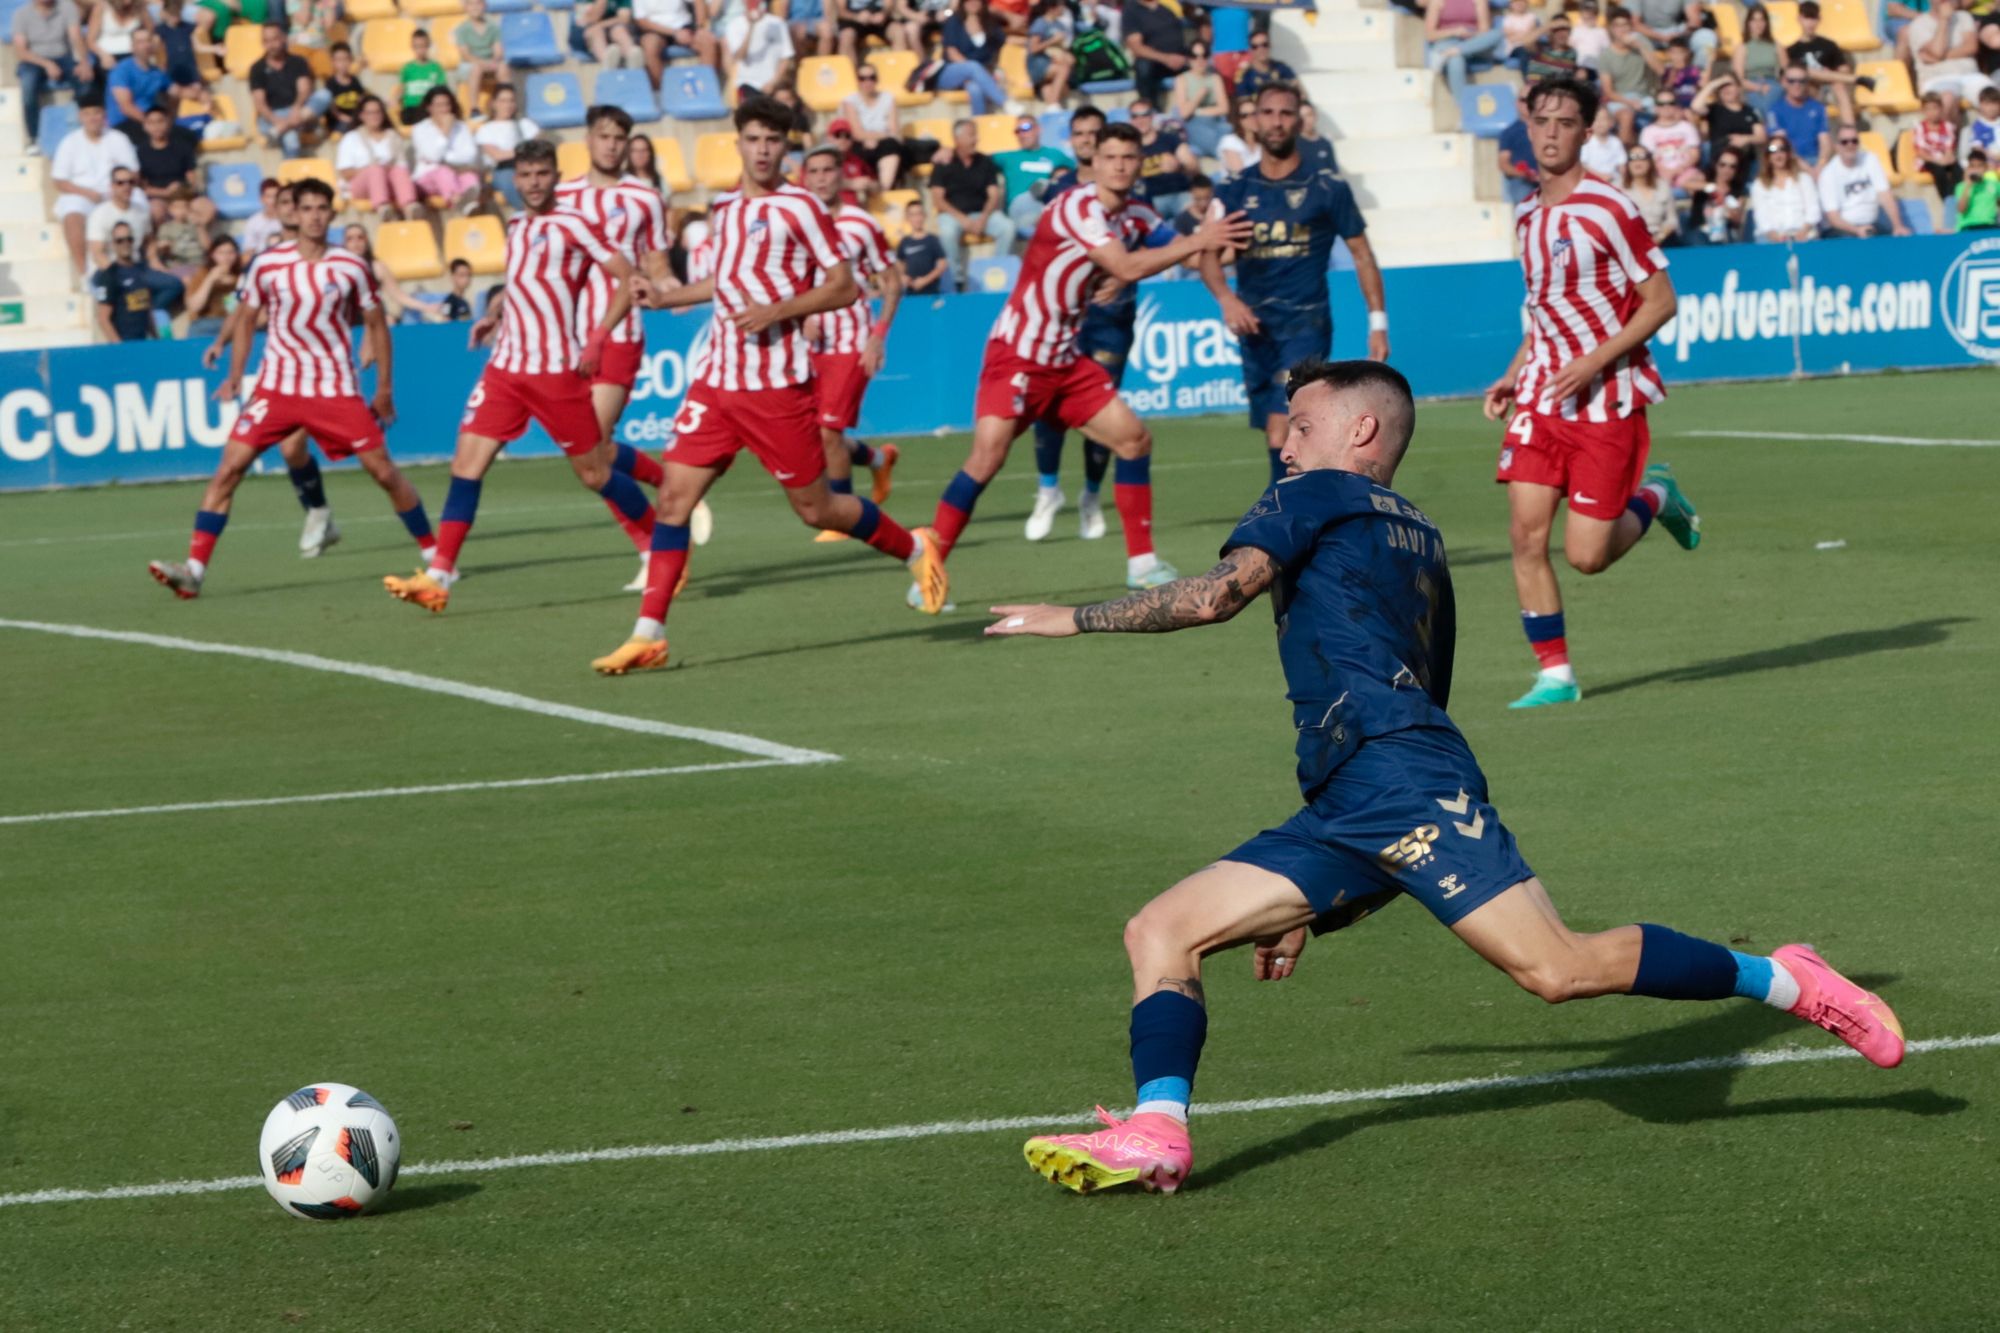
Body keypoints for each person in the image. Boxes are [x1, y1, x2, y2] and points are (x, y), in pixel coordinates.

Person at [987, 358, 1905, 1198]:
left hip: (1394, 776)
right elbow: (1426, 685)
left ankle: (1785, 978)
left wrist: (1073, 618)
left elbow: (1213, 596)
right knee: (1163, 928)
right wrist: (1315, 898)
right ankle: (1158, 1128)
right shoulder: (1416, 532)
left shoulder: (1310, 494)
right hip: (1359, 787)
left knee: (1557, 969)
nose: (1286, 439)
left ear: (1360, 434)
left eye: (1302, 423)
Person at [590, 96, 948, 672]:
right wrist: (665, 295)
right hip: (716, 384)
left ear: (786, 146)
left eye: (773, 140)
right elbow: (724, 282)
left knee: (817, 509)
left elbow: (845, 287)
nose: (762, 149)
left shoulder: (800, 207)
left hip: (776, 387)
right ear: (738, 141)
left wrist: (778, 310)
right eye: (753, 138)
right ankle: (649, 634)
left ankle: (913, 546)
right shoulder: (727, 209)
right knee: (674, 500)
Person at [922, 121, 1250, 603]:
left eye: (1128, 157)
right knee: (987, 458)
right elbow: (1130, 264)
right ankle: (929, 568)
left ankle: (1141, 565)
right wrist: (1175, 251)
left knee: (1135, 440)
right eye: (1110, 156)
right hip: (1017, 353)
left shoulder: (1135, 212)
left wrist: (1213, 252)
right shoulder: (1080, 206)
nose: (1119, 165)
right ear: (1093, 162)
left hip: (1063, 361)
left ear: (1140, 164)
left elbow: (1169, 250)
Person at [1482, 75, 1700, 710]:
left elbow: (1661, 302)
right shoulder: (1525, 214)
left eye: (1565, 123)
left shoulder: (1612, 208)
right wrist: (1514, 370)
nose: (1551, 133)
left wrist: (1592, 362)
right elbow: (1546, 309)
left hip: (1606, 401)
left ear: (1586, 131)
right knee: (1525, 537)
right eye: (1542, 120)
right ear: (1528, 124)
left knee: (1586, 557)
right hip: (1542, 401)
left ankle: (1657, 496)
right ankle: (1556, 675)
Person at [384, 139, 649, 616]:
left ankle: (659, 544)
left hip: (556, 371)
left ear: (555, 174)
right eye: (524, 175)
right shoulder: (517, 225)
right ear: (515, 178)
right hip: (506, 367)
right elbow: (524, 279)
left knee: (593, 473)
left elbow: (627, 277)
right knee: (466, 464)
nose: (532, 183)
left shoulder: (574, 224)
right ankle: (440, 575)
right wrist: (494, 312)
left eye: (542, 174)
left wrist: (599, 336)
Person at [149, 180, 434, 600]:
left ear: (331, 215)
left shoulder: (350, 266)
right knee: (229, 470)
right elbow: (246, 319)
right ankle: (193, 570)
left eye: (323, 208)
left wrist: (384, 388)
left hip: (333, 388)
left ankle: (436, 557)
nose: (315, 215)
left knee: (384, 472)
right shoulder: (267, 263)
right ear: (294, 214)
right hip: (276, 388)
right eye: (307, 208)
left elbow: (377, 325)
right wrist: (234, 375)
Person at [1201, 81, 1388, 487]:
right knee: (1276, 427)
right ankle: (1306, 510)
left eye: (1286, 113)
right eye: (1268, 113)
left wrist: (1377, 321)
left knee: (1282, 424)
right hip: (1254, 328)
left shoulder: (1326, 187)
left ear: (1299, 119)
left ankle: (1280, 520)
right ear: (1253, 121)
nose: (1277, 122)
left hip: (1306, 324)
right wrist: (1226, 299)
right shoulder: (1235, 189)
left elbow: (1362, 253)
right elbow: (1208, 255)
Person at [1027, 106, 1176, 544]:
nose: (1088, 140)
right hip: (1063, 320)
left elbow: (1165, 247)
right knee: (1048, 409)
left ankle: (1091, 496)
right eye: (1081, 133)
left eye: (1095, 132)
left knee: (1101, 410)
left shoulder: (1130, 192)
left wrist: (1124, 271)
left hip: (1113, 319)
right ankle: (1048, 489)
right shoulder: (1060, 189)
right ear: (1073, 142)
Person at [556, 104, 682, 588]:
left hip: (619, 336)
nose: (610, 144)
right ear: (588, 139)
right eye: (602, 136)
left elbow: (655, 262)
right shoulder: (561, 196)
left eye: (618, 138)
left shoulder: (644, 197)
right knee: (591, 453)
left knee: (592, 450)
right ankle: (666, 487)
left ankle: (655, 549)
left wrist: (672, 290)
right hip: (565, 339)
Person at [799, 145, 904, 539]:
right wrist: (802, 316)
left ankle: (839, 514)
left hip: (852, 341)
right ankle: (878, 459)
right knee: (816, 432)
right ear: (805, 177)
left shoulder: (861, 224)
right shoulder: (798, 220)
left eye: (829, 170)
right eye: (815, 171)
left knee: (828, 431)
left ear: (841, 175)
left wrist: (877, 338)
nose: (823, 177)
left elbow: (892, 281)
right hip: (809, 344)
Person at [52, 97, 139, 276]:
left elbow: (134, 173)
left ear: (104, 115)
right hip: (81, 194)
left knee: (142, 203)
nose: (92, 118)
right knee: (72, 215)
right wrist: (87, 193)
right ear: (80, 117)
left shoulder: (118, 139)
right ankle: (84, 273)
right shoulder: (70, 142)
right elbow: (59, 181)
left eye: (96, 113)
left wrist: (117, 190)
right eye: (87, 114)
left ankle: (137, 266)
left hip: (117, 191)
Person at [930, 118, 1013, 271]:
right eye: (971, 135)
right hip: (952, 216)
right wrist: (963, 219)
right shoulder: (943, 162)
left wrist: (983, 218)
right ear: (957, 139)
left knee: (1007, 227)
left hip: (981, 214)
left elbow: (993, 195)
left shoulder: (985, 162)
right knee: (947, 233)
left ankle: (999, 270)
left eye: (975, 135)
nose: (976, 139)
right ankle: (956, 278)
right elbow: (938, 200)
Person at [13, 0, 93, 150]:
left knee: (85, 82)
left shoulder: (67, 7)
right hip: (34, 59)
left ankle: (86, 129)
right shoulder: (21, 14)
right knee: (28, 90)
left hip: (62, 56)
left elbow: (76, 36)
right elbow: (21, 51)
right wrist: (47, 64)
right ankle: (33, 138)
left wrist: (84, 62)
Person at [249, 22, 328, 157]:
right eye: (267, 41)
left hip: (299, 111)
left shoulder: (297, 62)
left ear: (283, 38)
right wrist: (276, 120)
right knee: (291, 139)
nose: (271, 45)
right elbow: (260, 103)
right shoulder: (257, 68)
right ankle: (291, 174)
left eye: (274, 39)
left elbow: (304, 90)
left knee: (325, 95)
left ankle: (280, 129)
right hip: (273, 115)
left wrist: (296, 109)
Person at [1817, 128, 1911, 237]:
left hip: (1870, 226)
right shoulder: (1828, 174)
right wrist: (1857, 230)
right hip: (1842, 229)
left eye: (1854, 141)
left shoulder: (1870, 159)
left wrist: (1897, 225)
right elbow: (1833, 217)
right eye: (1844, 142)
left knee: (1896, 242)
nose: (1850, 145)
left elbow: (1886, 195)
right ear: (1837, 146)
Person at [338, 96, 419, 220]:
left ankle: (410, 207)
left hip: (391, 182)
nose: (374, 116)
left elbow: (402, 167)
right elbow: (345, 172)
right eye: (370, 113)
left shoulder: (393, 137)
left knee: (399, 171)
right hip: (362, 185)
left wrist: (387, 170)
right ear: (362, 116)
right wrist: (373, 169)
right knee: (376, 170)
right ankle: (383, 208)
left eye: (377, 112)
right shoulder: (351, 138)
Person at [1786, 0, 1865, 126]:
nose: (1810, 23)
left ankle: (1849, 129)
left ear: (1819, 20)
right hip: (1808, 88)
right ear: (1799, 19)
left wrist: (1829, 74)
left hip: (1830, 87)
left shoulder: (1828, 45)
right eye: (1807, 18)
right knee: (1805, 76)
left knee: (1839, 87)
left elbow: (1844, 70)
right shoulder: (1792, 50)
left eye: (1813, 19)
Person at [994, 115, 1074, 238]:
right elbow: (977, 161)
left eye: (1026, 128)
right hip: (1020, 206)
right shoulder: (1008, 157)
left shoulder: (1055, 155)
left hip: (1046, 205)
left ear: (1039, 129)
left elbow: (1081, 172)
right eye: (1017, 131)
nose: (1021, 134)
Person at [1908, 0, 1988, 120]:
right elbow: (1937, 51)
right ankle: (1947, 138)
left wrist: (1938, 57)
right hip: (1936, 78)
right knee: (1947, 99)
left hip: (1970, 75)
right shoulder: (1918, 24)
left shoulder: (1963, 16)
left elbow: (1971, 47)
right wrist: (1943, 20)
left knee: (1993, 96)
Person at [410, 88, 484, 216]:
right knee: (443, 172)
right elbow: (432, 155)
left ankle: (469, 205)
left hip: (458, 172)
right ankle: (459, 203)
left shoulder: (461, 127)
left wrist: (445, 161)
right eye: (439, 105)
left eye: (446, 104)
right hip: (428, 177)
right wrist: (446, 131)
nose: (444, 109)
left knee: (470, 177)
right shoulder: (420, 129)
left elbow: (469, 155)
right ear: (429, 108)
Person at [107, 29, 190, 139]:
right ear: (132, 47)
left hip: (150, 122)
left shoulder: (156, 72)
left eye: (148, 41)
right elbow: (126, 107)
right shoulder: (122, 70)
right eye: (140, 42)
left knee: (188, 136)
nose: (146, 45)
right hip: (126, 122)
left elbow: (177, 91)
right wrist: (153, 124)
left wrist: (200, 94)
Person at [91, 223, 165, 341]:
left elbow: (147, 307)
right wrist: (120, 348)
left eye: (129, 239)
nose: (125, 244)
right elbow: (103, 318)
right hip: (124, 342)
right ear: (113, 244)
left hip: (142, 342)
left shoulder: (142, 270)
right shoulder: (110, 275)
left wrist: (157, 338)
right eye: (120, 240)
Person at [1599, 7, 1663, 143]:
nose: (1622, 29)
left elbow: (1660, 70)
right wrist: (1630, 102)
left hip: (1645, 97)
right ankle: (1625, 156)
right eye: (1617, 26)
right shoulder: (1605, 56)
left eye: (1625, 25)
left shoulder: (1642, 45)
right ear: (1611, 29)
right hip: (1619, 100)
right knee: (1627, 115)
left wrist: (1640, 47)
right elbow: (1608, 91)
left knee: (1669, 112)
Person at [838, 63, 905, 191]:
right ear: (857, 81)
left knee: (892, 145)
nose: (867, 82)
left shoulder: (888, 98)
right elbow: (857, 133)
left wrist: (874, 138)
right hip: (860, 144)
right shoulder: (850, 101)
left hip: (883, 143)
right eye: (863, 78)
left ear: (876, 80)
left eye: (871, 77)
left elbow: (894, 129)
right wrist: (875, 137)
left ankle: (884, 189)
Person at [1129, 98, 1198, 218]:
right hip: (1149, 198)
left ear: (1152, 116)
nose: (1140, 120)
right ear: (1130, 120)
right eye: (1135, 116)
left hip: (1179, 194)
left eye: (1144, 115)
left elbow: (1195, 167)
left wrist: (1179, 167)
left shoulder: (1169, 139)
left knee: (1192, 217)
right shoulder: (1128, 147)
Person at [475, 84, 540, 210]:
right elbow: (497, 155)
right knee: (509, 178)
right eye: (503, 101)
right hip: (502, 169)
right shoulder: (486, 129)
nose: (508, 105)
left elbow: (538, 147)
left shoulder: (525, 124)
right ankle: (527, 210)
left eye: (511, 100)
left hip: (527, 165)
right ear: (494, 104)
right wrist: (523, 150)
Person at [937, 0, 1008, 113]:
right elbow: (952, 52)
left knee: (976, 89)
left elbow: (1004, 40)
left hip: (978, 75)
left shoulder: (989, 23)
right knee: (973, 66)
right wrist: (972, 71)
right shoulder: (954, 21)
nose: (973, 3)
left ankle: (979, 123)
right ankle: (1006, 103)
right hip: (952, 70)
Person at [1426, 0, 1505, 101]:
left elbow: (1484, 31)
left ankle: (1455, 51)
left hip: (1472, 43)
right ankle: (1464, 107)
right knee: (1455, 60)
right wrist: (1454, 32)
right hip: (1447, 41)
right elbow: (1430, 35)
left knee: (1497, 34)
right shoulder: (1437, 2)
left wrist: (1470, 34)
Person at [1690, 72, 1765, 178]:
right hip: (1720, 162)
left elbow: (1761, 136)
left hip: (1745, 162)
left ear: (1738, 88)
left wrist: (1746, 139)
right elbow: (1695, 106)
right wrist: (1713, 84)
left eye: (1729, 84)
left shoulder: (1750, 111)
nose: (1726, 89)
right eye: (1722, 86)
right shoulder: (1714, 109)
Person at [133, 104, 200, 221]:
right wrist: (165, 192)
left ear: (168, 123)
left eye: (160, 121)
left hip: (182, 195)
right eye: (151, 123)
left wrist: (181, 191)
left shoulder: (182, 147)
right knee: (155, 211)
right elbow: (142, 186)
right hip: (157, 198)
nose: (156, 127)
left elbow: (192, 179)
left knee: (206, 208)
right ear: (145, 126)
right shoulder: (140, 152)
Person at [1749, 135, 1822, 241]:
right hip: (1772, 237)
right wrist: (1774, 236)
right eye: (1773, 150)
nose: (1778, 155)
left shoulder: (1803, 179)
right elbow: (1761, 216)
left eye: (1782, 149)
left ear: (1788, 153)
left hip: (1803, 233)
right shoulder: (1759, 184)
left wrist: (1803, 232)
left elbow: (1813, 209)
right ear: (1768, 156)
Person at [85, 162, 155, 271]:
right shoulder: (99, 215)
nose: (127, 187)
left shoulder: (141, 211)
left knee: (173, 283)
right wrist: (119, 276)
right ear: (112, 186)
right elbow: (97, 254)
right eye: (120, 183)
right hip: (109, 272)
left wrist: (157, 266)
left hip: (137, 269)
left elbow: (149, 243)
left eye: (131, 182)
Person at [634, 0, 719, 89]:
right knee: (650, 45)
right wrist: (674, 33)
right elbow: (641, 21)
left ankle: (705, 90)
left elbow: (699, 2)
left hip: (683, 26)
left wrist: (699, 27)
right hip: (656, 30)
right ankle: (663, 92)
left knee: (707, 41)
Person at [722, 0, 795, 101]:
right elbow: (739, 56)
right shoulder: (734, 25)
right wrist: (751, 27)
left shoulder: (778, 23)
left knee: (785, 98)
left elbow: (785, 58)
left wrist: (773, 82)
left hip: (775, 84)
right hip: (748, 83)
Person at [1121, 0, 1189, 108]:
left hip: (1180, 58)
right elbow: (1136, 47)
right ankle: (1150, 110)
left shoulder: (1168, 5)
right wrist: (1166, 59)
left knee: (1200, 60)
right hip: (1155, 63)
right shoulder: (1131, 11)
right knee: (1143, 67)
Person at [1765, 63, 1831, 168]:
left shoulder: (1818, 108)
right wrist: (1808, 170)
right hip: (1790, 164)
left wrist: (1820, 167)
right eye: (1791, 81)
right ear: (1784, 82)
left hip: (1816, 161)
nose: (1797, 84)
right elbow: (1782, 146)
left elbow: (1825, 143)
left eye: (1802, 81)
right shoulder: (1774, 111)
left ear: (1807, 83)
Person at [1172, 41, 1229, 158]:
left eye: (1204, 55)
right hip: (1193, 124)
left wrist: (1198, 111)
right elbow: (1184, 113)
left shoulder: (1215, 78)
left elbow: (1224, 108)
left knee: (1228, 130)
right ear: (1189, 59)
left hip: (1215, 121)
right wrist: (1199, 96)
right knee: (1213, 139)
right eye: (1195, 56)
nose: (1200, 60)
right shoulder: (1182, 79)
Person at [1638, 90, 1703, 189]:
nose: (1666, 107)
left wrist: (1679, 170)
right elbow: (1648, 158)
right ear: (1656, 108)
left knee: (1698, 179)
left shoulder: (1687, 127)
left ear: (1676, 106)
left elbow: (1695, 154)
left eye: (1670, 103)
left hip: (1685, 171)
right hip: (1659, 174)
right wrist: (1665, 172)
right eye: (1661, 104)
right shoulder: (1648, 131)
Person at [1621, 142, 1679, 245]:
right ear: (1627, 164)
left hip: (1662, 240)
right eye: (1633, 158)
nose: (1637, 162)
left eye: (1642, 158)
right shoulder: (1618, 189)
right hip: (1631, 242)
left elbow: (1672, 220)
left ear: (1650, 162)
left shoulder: (1662, 185)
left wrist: (1659, 238)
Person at [1687, 146, 1749, 243]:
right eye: (1722, 164)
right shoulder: (1706, 178)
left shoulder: (1738, 190)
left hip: (1724, 233)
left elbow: (1738, 220)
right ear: (1716, 165)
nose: (1726, 169)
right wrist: (1711, 188)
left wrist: (1724, 204)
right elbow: (1687, 184)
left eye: (1732, 166)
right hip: (1701, 232)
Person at [451, 0, 508, 106]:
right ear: (465, 7)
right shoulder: (462, 29)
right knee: (476, 68)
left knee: (503, 67)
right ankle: (474, 107)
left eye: (478, 3)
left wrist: (494, 60)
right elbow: (466, 55)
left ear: (484, 5)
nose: (475, 7)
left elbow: (498, 50)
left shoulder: (493, 27)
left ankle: (503, 101)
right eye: (471, 4)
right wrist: (481, 63)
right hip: (469, 65)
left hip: (488, 62)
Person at [1912, 91, 1963, 201]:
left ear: (1941, 109)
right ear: (1923, 111)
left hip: (1944, 158)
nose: (1932, 112)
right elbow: (1921, 153)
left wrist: (1949, 158)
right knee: (1939, 171)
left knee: (1958, 169)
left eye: (1935, 108)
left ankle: (1958, 196)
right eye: (1928, 109)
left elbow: (1949, 148)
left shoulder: (1948, 126)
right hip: (1928, 160)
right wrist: (1939, 161)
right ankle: (1947, 199)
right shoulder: (1920, 128)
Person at [1732, 3, 1782, 112]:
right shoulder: (1742, 47)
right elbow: (1738, 79)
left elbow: (1786, 70)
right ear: (1748, 23)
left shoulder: (1775, 45)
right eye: (1754, 20)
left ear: (1766, 23)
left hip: (1772, 84)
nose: (1758, 24)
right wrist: (1758, 87)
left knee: (1775, 94)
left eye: (1761, 20)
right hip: (1751, 86)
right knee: (1762, 103)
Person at [1026, 0, 1076, 104]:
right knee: (1063, 70)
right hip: (1039, 64)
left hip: (1054, 64)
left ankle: (1052, 109)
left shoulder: (1060, 25)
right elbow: (1033, 49)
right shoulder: (1040, 23)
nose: (1063, 8)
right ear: (1051, 8)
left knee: (1055, 89)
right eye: (1061, 5)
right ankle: (1054, 105)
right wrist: (1052, 41)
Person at [895, 196, 949, 292]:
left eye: (919, 214)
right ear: (907, 218)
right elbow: (900, 263)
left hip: (931, 292)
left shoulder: (932, 240)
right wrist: (903, 277)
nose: (917, 218)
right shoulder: (905, 242)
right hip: (911, 292)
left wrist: (925, 280)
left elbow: (942, 265)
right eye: (912, 215)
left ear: (924, 216)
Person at [396, 28, 448, 127]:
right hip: (411, 108)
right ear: (412, 47)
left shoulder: (436, 67)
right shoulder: (407, 68)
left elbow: (442, 90)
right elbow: (401, 89)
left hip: (429, 108)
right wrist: (394, 100)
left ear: (428, 46)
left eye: (423, 46)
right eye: (417, 46)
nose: (420, 50)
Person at [1497, 88, 1538, 204]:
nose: (1528, 103)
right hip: (1522, 180)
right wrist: (1523, 173)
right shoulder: (1509, 132)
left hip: (1547, 179)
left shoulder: (1547, 128)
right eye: (1524, 100)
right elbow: (1503, 163)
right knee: (1523, 194)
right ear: (1517, 103)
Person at [154, 186, 207, 276]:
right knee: (187, 278)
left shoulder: (196, 224)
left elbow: (207, 247)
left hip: (199, 263)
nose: (181, 211)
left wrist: (200, 227)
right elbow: (162, 249)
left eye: (184, 207)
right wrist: (164, 247)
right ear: (170, 209)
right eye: (177, 207)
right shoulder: (166, 228)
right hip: (178, 264)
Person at [86, 0, 147, 73]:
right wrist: (103, 56)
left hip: (133, 55)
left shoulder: (139, 9)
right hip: (107, 55)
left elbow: (150, 31)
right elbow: (90, 40)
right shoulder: (101, 8)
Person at [1234, 27, 1296, 97]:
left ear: (1270, 45)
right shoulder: (1245, 74)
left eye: (1265, 45)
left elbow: (1299, 92)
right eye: (1255, 47)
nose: (1261, 49)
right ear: (1250, 50)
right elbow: (1244, 102)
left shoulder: (1282, 68)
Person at [322, 41, 366, 135]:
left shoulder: (355, 80)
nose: (343, 63)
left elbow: (361, 101)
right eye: (339, 60)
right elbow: (333, 111)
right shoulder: (330, 83)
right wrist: (346, 118)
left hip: (355, 118)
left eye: (346, 59)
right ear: (333, 62)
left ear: (351, 60)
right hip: (339, 121)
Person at [1215, 95, 1261, 180]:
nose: (1252, 118)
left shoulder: (1264, 143)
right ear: (1237, 119)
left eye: (1254, 113)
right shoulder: (1230, 141)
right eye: (1244, 115)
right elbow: (1240, 176)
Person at [1524, 14, 1582, 81]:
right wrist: (1550, 25)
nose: (1561, 33)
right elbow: (1526, 42)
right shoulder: (1540, 48)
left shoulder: (1573, 53)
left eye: (1565, 30)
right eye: (1557, 30)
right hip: (1537, 88)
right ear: (1550, 32)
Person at [1955, 147, 2000, 229]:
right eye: (1972, 166)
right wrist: (1968, 185)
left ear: (1986, 167)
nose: (1976, 169)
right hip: (1968, 227)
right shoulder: (1961, 186)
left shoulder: (1994, 185)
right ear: (1968, 168)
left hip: (1989, 226)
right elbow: (1961, 209)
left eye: (1979, 166)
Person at [1580, 104, 1628, 179]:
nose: (1600, 123)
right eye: (1596, 119)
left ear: (1611, 123)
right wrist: (1601, 176)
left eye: (1603, 119)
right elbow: (1583, 165)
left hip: (1614, 179)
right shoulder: (1587, 142)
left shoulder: (1616, 142)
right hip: (1593, 179)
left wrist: (1623, 177)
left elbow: (1622, 164)